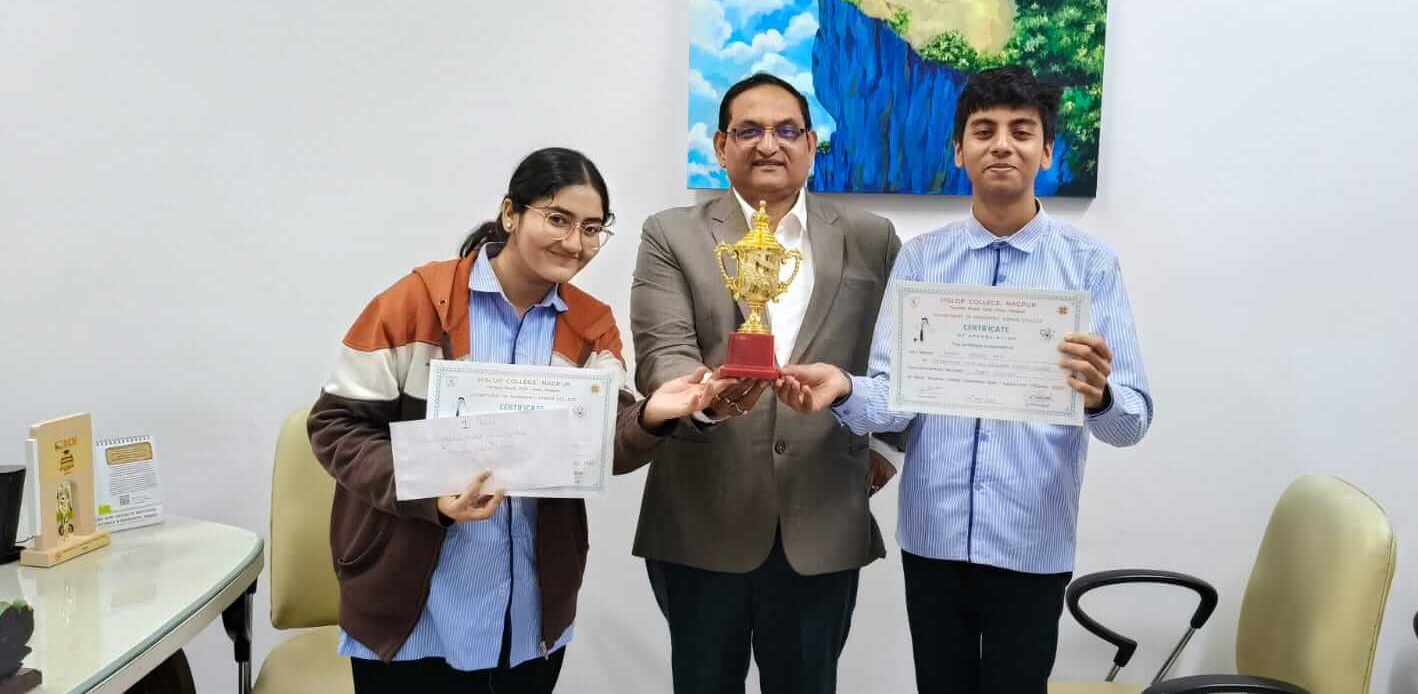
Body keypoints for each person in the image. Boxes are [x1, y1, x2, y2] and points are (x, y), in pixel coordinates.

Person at [778, 65, 1155, 694]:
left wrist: (1100, 396)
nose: (1002, 144)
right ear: (959, 151)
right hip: (935, 534)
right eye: (984, 131)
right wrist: (842, 387)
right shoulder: (923, 260)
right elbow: (896, 400)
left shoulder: (1090, 266)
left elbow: (1132, 421)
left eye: (1021, 131)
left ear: (1047, 151)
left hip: (1031, 538)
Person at [306, 147, 730, 694]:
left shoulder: (591, 325)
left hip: (529, 614)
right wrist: (431, 494)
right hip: (411, 611)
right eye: (558, 219)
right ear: (511, 213)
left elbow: (605, 443)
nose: (574, 243)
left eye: (592, 229)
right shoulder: (416, 302)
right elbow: (336, 427)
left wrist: (650, 415)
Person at [625, 73, 901, 694]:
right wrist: (705, 402)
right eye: (748, 130)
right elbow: (662, 354)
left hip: (823, 514)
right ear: (721, 146)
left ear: (811, 145)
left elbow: (900, 357)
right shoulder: (671, 233)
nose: (768, 144)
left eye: (786, 130)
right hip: (702, 513)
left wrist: (887, 446)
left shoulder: (871, 237)